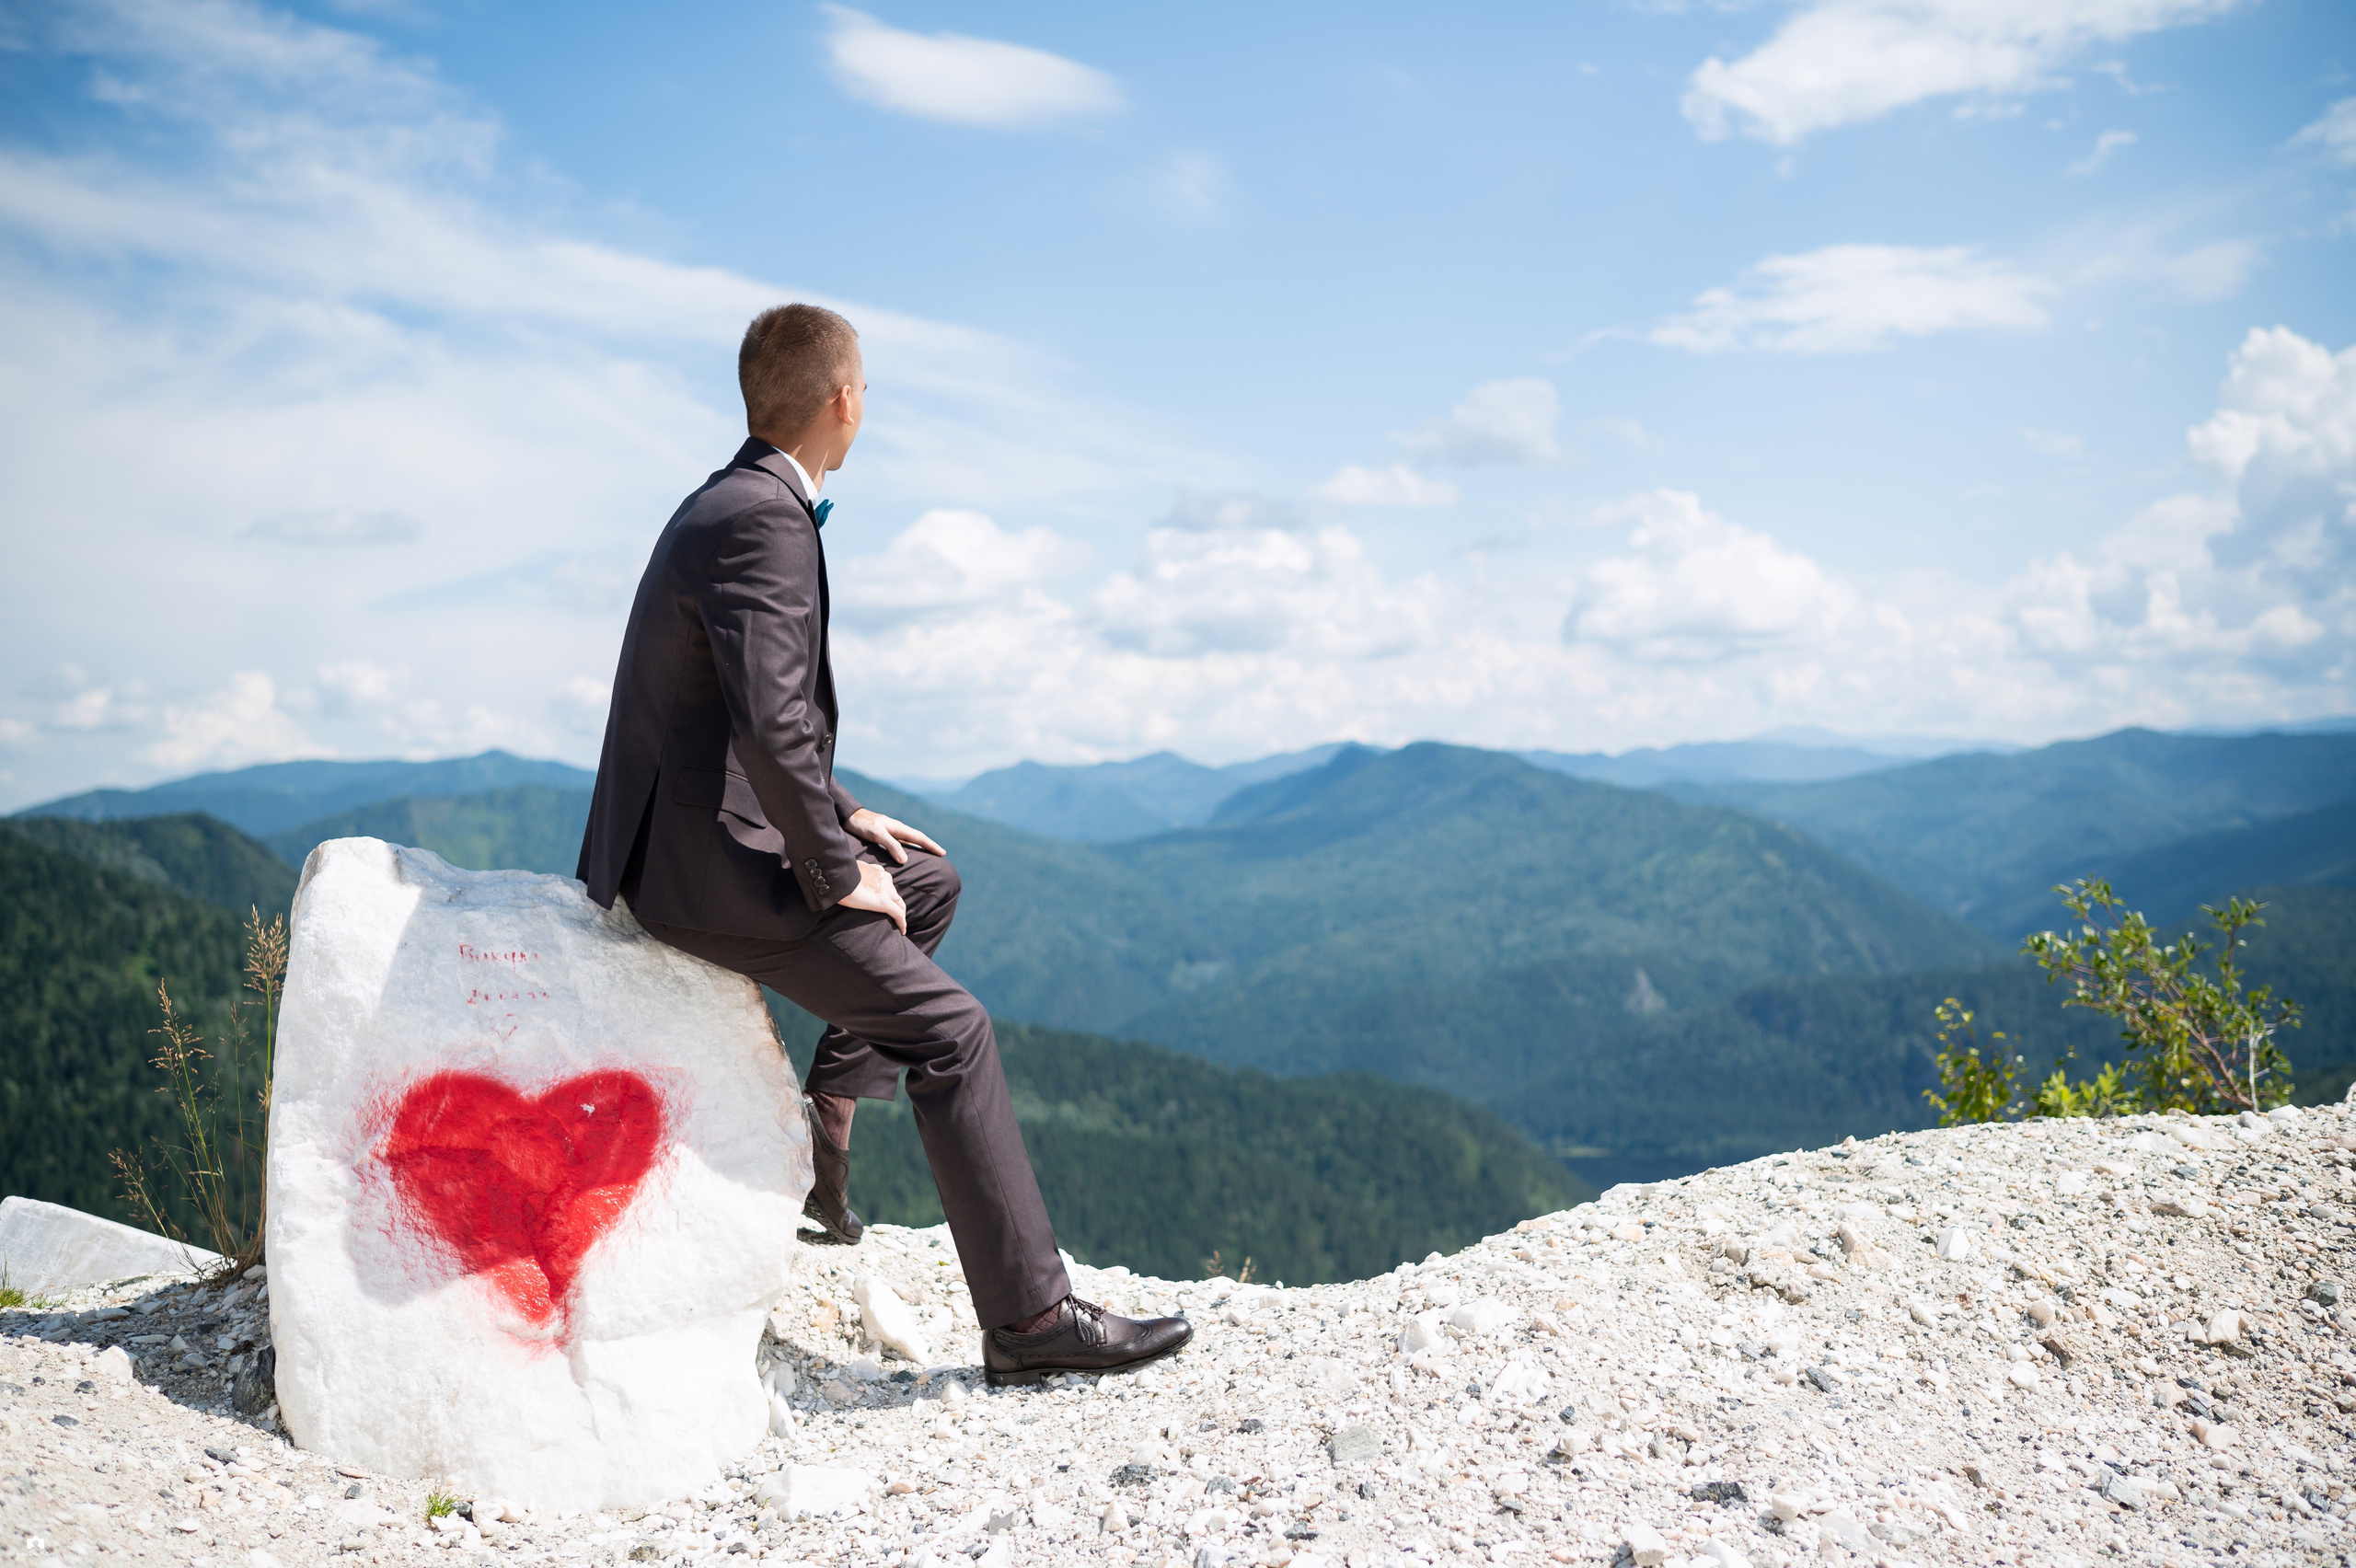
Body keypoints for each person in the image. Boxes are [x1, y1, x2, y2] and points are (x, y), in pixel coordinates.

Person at [575, 304, 1190, 1386]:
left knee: (929, 879)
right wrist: (828, 869)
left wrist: (847, 817)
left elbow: (745, 717)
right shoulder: (763, 518)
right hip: (695, 869)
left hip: (693, 832)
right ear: (844, 400)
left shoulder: (726, 502)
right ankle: (1031, 1321)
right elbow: (769, 724)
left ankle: (828, 1118)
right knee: (954, 1032)